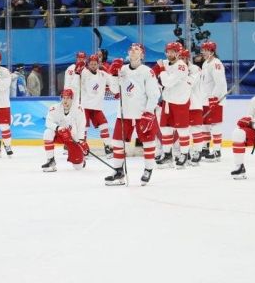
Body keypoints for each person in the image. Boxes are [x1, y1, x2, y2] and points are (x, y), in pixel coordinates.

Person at [105, 43, 161, 186]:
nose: (133, 51)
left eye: (137, 49)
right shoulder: (122, 69)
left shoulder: (147, 71)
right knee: (117, 143)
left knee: (148, 143)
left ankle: (148, 169)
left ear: (142, 55)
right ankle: (118, 172)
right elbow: (115, 91)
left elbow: (154, 94)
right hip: (124, 115)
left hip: (142, 114)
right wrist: (112, 74)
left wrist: (149, 112)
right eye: (131, 49)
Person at [152, 42, 195, 168]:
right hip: (167, 101)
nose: (169, 54)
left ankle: (184, 154)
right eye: (168, 51)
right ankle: (167, 154)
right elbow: (151, 74)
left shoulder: (181, 66)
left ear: (178, 53)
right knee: (165, 128)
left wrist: (161, 69)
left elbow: (168, 82)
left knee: (182, 130)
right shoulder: (164, 63)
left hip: (180, 102)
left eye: (172, 51)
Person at [41, 89, 88, 172]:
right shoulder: (54, 108)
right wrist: (58, 128)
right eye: (64, 98)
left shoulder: (78, 109)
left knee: (78, 167)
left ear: (72, 99)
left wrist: (81, 141)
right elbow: (48, 122)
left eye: (68, 98)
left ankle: (81, 159)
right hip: (60, 135)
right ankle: (51, 161)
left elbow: (81, 126)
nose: (65, 100)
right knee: (47, 132)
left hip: (73, 139)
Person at [80, 54, 114, 157]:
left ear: (98, 64)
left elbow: (113, 82)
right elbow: (76, 82)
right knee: (83, 128)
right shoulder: (84, 73)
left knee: (104, 126)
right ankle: (83, 148)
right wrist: (77, 72)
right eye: (91, 64)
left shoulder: (103, 74)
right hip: (85, 106)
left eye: (95, 64)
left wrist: (112, 72)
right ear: (88, 64)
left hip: (97, 107)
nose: (94, 65)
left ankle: (108, 148)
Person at [200, 41, 227, 162]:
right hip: (205, 99)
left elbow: (220, 83)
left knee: (215, 125)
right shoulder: (205, 63)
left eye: (206, 50)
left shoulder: (216, 64)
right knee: (205, 124)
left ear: (212, 51)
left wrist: (214, 98)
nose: (203, 53)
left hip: (215, 100)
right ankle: (205, 148)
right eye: (203, 50)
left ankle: (217, 151)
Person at [179, 49, 207, 166]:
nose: (180, 60)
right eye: (179, 58)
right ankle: (185, 153)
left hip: (194, 104)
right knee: (183, 131)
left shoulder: (195, 69)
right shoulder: (176, 68)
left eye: (182, 58)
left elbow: (190, 84)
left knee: (196, 129)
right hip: (181, 104)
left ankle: (198, 152)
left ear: (187, 58)